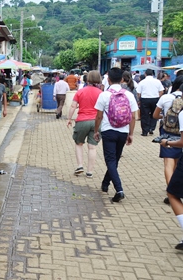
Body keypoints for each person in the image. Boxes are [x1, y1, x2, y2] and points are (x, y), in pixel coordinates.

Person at [93, 67, 139, 202]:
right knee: (115, 160)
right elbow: (133, 117)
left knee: (111, 161)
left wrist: (96, 131)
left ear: (108, 79)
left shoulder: (104, 95)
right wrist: (131, 134)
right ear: (122, 79)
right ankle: (105, 183)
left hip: (108, 131)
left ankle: (119, 190)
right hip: (123, 132)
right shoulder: (129, 95)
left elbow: (99, 116)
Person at [67, 70, 103, 178]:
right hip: (96, 122)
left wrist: (69, 118)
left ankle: (80, 166)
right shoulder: (101, 93)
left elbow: (73, 106)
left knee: (79, 143)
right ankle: (90, 172)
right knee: (92, 147)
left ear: (87, 79)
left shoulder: (80, 92)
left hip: (82, 120)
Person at [153, 77, 183, 205]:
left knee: (168, 163)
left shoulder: (166, 98)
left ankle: (171, 191)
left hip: (168, 133)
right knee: (177, 163)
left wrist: (165, 117)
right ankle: (175, 187)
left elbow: (155, 115)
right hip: (180, 135)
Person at [137, 69, 164, 136]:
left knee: (144, 115)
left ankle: (145, 131)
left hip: (145, 99)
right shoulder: (157, 81)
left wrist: (139, 99)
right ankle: (151, 128)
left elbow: (138, 93)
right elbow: (161, 91)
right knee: (154, 114)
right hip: (155, 99)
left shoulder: (142, 82)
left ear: (145, 74)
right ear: (152, 74)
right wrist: (158, 97)